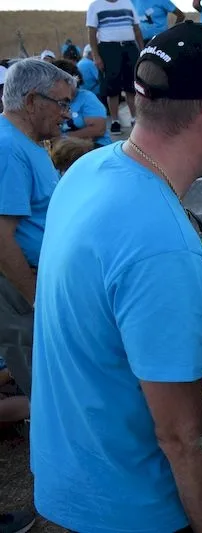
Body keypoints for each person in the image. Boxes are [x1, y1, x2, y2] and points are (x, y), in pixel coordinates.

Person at [30, 21, 202, 532]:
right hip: (135, 507)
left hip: (70, 475)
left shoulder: (88, 169)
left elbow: (124, 293)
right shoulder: (164, 244)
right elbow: (180, 438)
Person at [0, 58, 74, 402]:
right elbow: (2, 238)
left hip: (35, 281)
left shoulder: (23, 144)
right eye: (62, 103)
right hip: (21, 288)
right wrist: (36, 298)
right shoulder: (8, 148)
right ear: (31, 101)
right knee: (47, 387)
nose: (67, 114)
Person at [86, 0, 144, 135]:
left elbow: (136, 29)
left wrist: (142, 50)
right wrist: (96, 56)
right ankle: (115, 121)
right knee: (112, 87)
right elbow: (92, 33)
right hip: (108, 49)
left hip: (129, 47)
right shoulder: (95, 6)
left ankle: (134, 119)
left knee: (132, 86)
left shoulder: (128, 3)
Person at [52, 60, 111, 148]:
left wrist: (64, 138)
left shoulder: (87, 98)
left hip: (95, 146)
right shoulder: (51, 101)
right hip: (65, 148)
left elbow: (98, 129)